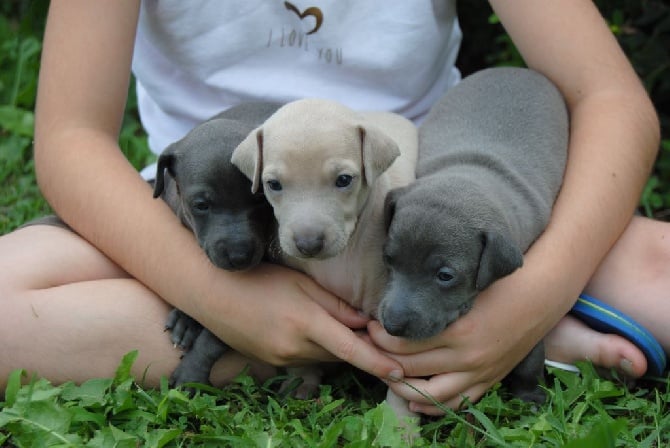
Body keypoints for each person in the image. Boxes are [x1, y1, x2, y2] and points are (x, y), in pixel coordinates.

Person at [0, 0, 666, 415]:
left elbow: (612, 99)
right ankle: (437, 333)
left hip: (413, 203)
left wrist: (536, 299)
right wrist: (220, 301)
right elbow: (70, 138)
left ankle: (451, 323)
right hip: (214, 221)